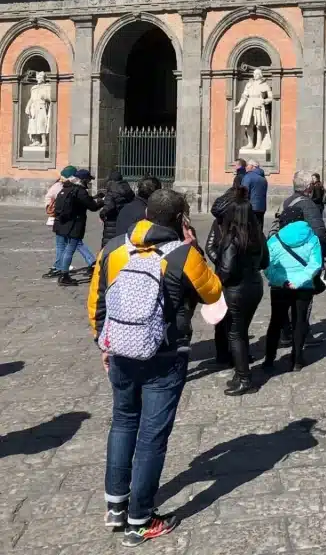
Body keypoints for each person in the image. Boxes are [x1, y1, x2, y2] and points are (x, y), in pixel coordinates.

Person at [88, 188, 222, 546]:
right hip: (164, 355)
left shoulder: (114, 248)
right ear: (181, 220)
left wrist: (102, 341)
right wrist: (193, 248)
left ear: (146, 213)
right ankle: (141, 520)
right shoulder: (182, 255)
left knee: (122, 423)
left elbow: (97, 300)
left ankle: (116, 506)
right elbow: (213, 292)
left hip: (120, 351)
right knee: (151, 437)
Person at [207, 188, 268, 395]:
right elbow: (265, 261)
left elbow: (226, 268)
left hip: (236, 290)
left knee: (235, 334)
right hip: (255, 286)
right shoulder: (258, 234)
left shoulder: (233, 238)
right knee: (240, 331)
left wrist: (218, 282)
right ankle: (240, 372)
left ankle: (244, 378)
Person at [263, 199, 324, 372]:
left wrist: (281, 280)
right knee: (300, 321)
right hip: (304, 287)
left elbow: (267, 266)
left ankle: (269, 359)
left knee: (276, 322)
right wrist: (299, 280)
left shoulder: (274, 240)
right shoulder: (312, 238)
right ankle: (297, 359)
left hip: (280, 287)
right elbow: (316, 264)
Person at [53, 168, 102, 286]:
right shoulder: (80, 191)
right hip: (75, 225)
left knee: (65, 248)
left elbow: (83, 202)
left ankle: (61, 271)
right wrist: (102, 201)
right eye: (88, 180)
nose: (89, 182)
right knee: (70, 250)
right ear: (83, 180)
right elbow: (92, 207)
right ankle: (64, 275)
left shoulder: (67, 188)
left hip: (64, 224)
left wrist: (94, 198)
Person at [43, 166, 76, 279]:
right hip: (64, 220)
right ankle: (61, 267)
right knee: (67, 244)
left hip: (63, 220)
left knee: (64, 244)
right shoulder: (62, 187)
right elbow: (48, 198)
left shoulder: (64, 187)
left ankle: (61, 267)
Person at [99, 170, 135, 248]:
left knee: (108, 247)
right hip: (125, 222)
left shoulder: (112, 192)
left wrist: (102, 214)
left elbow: (108, 207)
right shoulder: (128, 190)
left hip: (112, 222)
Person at [241, 160, 269, 229]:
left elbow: (243, 192)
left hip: (250, 207)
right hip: (261, 208)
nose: (246, 167)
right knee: (259, 228)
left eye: (248, 165)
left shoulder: (248, 177)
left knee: (249, 230)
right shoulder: (263, 178)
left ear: (253, 167)